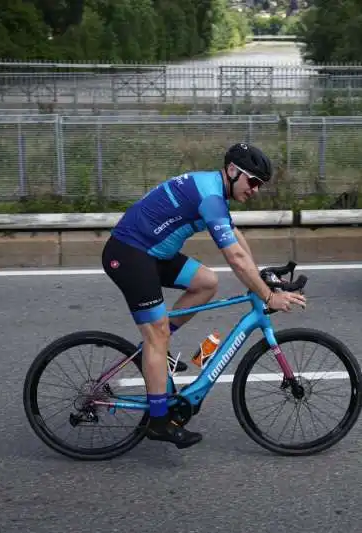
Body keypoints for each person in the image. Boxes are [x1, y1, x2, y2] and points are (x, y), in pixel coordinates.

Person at [101, 143, 307, 449]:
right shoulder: (210, 196)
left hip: (153, 252)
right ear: (233, 171)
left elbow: (236, 239)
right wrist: (267, 297)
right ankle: (158, 420)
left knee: (207, 282)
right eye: (253, 181)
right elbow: (235, 258)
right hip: (131, 254)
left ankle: (158, 351)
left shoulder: (215, 190)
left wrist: (260, 278)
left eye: (260, 185)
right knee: (156, 335)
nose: (256, 190)